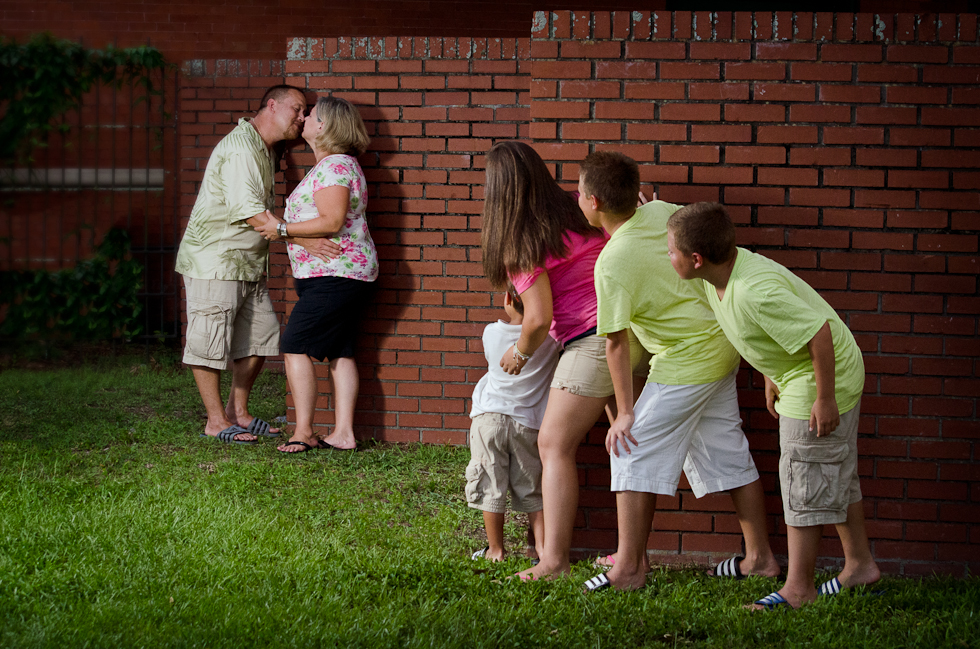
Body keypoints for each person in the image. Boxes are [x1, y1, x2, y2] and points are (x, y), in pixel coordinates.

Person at [574, 152, 779, 592]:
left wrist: (625, 411)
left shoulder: (610, 262)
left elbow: (615, 341)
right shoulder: (664, 213)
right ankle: (760, 558)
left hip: (688, 361)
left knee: (629, 447)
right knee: (727, 450)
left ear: (592, 201)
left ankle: (628, 569)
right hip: (723, 347)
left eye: (577, 192)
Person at [666, 201, 881, 609]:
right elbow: (775, 332)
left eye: (670, 250)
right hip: (798, 375)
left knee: (803, 479)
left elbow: (818, 333)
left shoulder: (752, 290)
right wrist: (770, 374)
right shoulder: (722, 273)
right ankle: (860, 566)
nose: (667, 256)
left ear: (696, 259)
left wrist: (824, 397)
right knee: (832, 470)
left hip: (819, 380)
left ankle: (798, 589)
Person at [481, 141, 647, 581]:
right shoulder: (580, 207)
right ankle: (634, 559)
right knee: (628, 447)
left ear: (497, 193)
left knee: (553, 445)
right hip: (636, 332)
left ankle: (553, 561)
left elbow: (538, 319)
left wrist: (518, 353)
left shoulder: (521, 241)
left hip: (594, 339)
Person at [175, 84, 335, 444]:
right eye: (297, 109)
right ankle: (215, 421)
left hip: (247, 262)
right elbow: (253, 216)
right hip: (215, 260)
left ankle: (238, 412)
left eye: (306, 112)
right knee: (209, 342)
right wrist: (306, 239)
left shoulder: (264, 147)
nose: (302, 117)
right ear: (272, 106)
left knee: (261, 339)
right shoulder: (241, 150)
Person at [255, 96, 377, 454]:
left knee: (294, 344)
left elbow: (332, 221)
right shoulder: (334, 165)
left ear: (324, 127)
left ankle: (304, 431)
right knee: (341, 349)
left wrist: (283, 230)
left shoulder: (335, 166)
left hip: (337, 274)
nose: (304, 119)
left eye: (311, 115)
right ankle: (343, 433)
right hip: (341, 274)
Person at [467, 285, 559, 562]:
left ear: (508, 299)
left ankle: (496, 550)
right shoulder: (552, 339)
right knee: (533, 488)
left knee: (490, 485)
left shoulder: (491, 333)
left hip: (488, 419)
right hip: (528, 423)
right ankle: (543, 552)